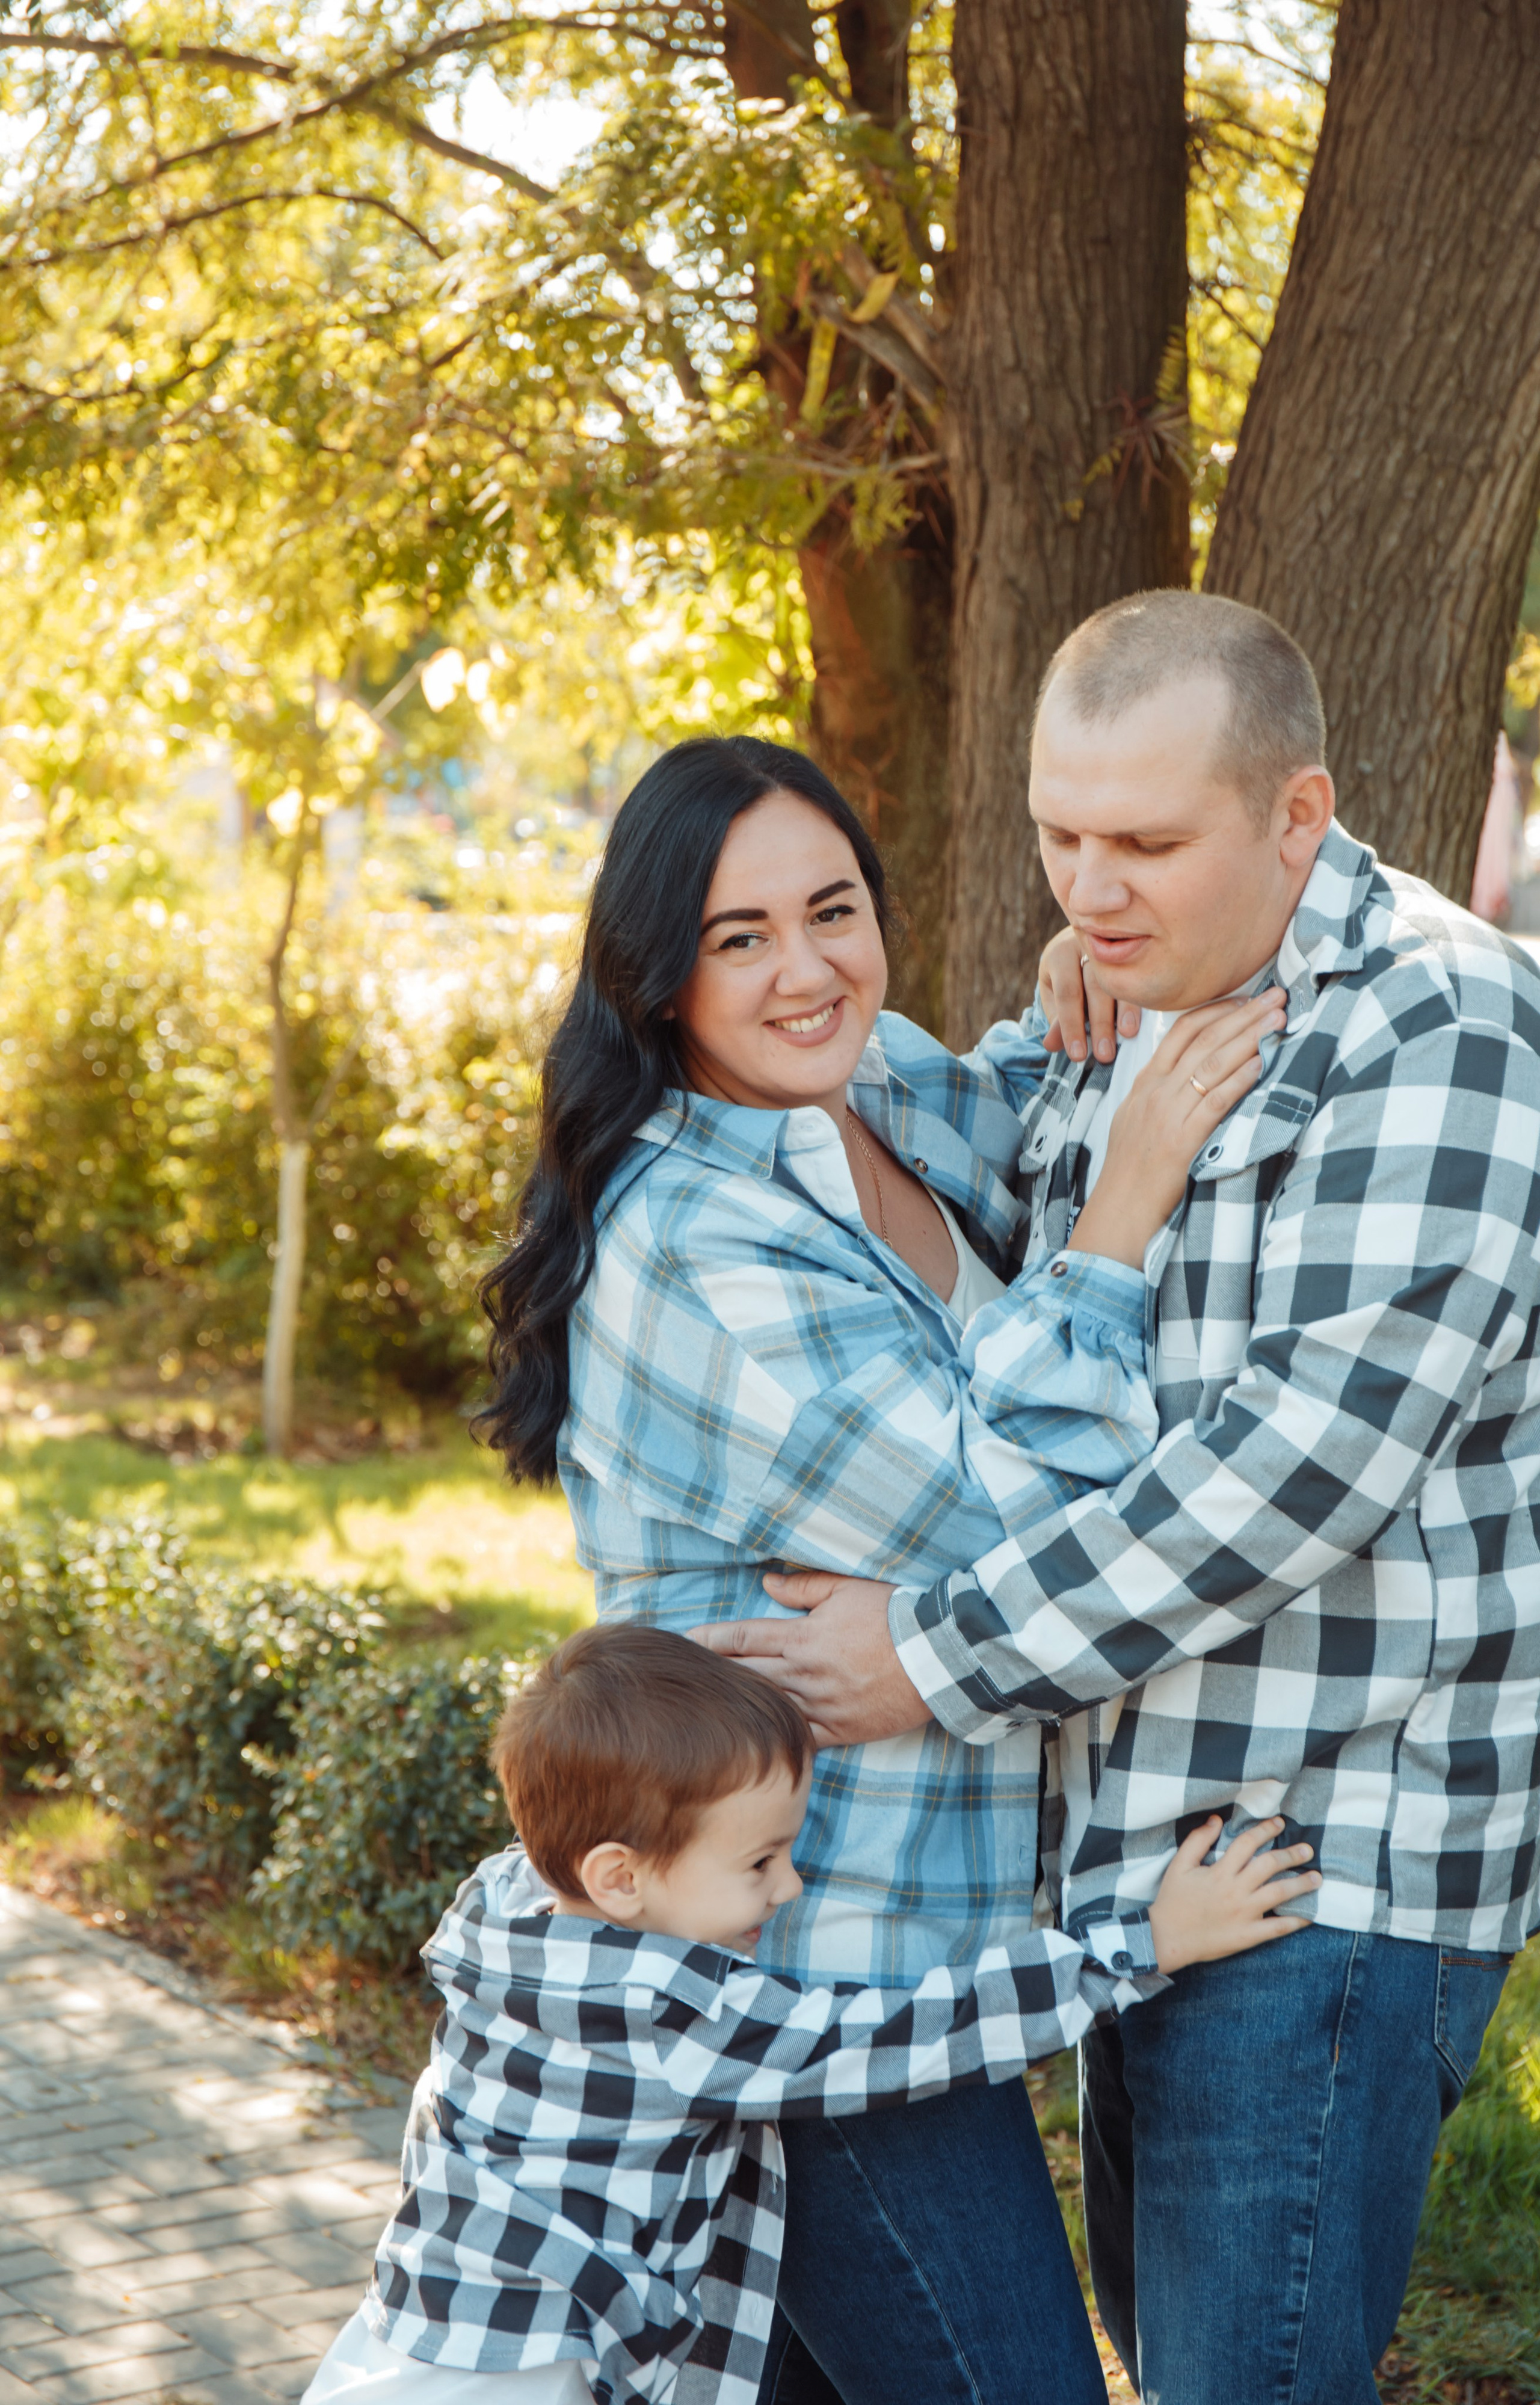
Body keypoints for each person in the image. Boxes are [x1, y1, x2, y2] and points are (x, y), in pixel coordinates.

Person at [703, 589, 1540, 2405]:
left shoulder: (1442, 1025)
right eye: (1061, 835)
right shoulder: (1135, 990)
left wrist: (931, 1652)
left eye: (1148, 841)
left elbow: (1291, 1468)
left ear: (1298, 816)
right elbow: (1006, 1292)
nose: (1091, 886)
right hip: (1138, 1858)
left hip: (1333, 1862)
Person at [475, 732, 1284, 2405]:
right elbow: (1019, 1521)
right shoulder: (691, 1240)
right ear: (659, 974)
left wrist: (1096, 968)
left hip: (927, 1943)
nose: (805, 968)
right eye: (739, 936)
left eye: (832, 908)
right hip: (814, 1972)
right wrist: (1121, 1215)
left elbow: (1019, 1091)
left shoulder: (870, 1091)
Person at [300, 1625, 1319, 2405]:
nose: (788, 1888)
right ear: (618, 1876)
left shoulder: (507, 1903)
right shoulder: (675, 2007)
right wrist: (1150, 1943)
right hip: (525, 2374)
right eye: (757, 1862)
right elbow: (910, 2034)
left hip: (415, 2331)